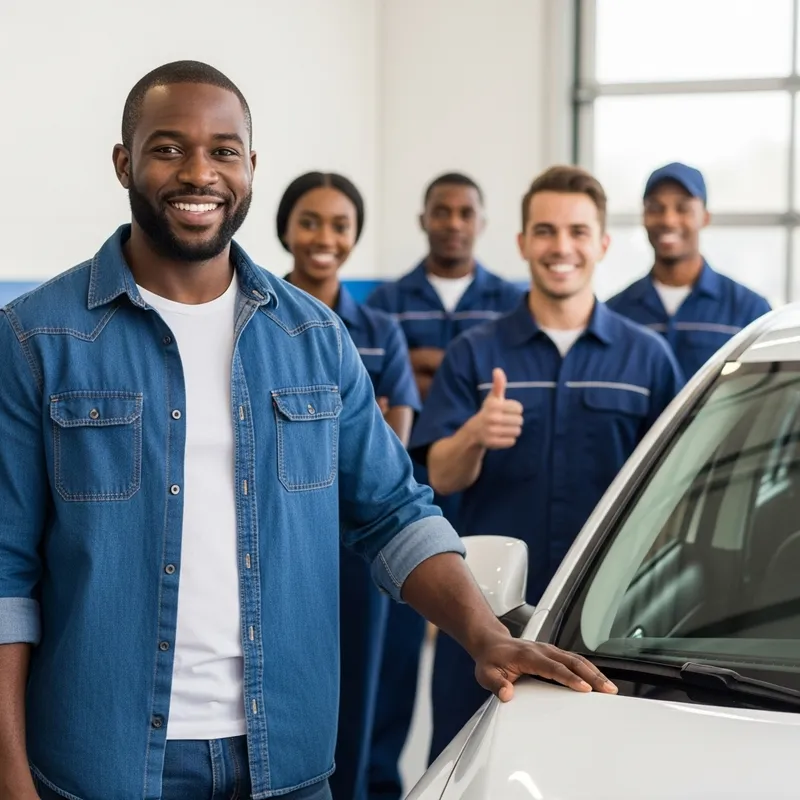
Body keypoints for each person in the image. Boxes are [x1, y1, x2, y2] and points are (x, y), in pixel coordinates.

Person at [0, 62, 616, 800]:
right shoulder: (38, 338)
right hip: (102, 765)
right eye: (168, 148)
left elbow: (394, 512)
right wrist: (11, 776)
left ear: (252, 167)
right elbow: (6, 577)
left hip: (281, 762)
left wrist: (483, 634)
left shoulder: (314, 339)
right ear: (124, 162)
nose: (200, 171)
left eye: (224, 150)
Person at [409, 165, 684, 764]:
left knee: (600, 770)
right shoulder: (475, 353)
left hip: (610, 627)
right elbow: (439, 476)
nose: (562, 247)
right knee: (465, 769)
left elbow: (676, 500)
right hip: (486, 624)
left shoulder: (648, 359)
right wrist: (476, 435)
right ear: (522, 242)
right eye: (546, 230)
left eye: (579, 232)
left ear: (603, 244)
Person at [365, 173, 524, 799]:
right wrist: (441, 376)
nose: (453, 222)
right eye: (442, 211)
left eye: (465, 212)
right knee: (396, 657)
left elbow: (420, 384)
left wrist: (427, 369)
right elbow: (400, 392)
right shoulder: (386, 301)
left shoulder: (510, 302)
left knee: (489, 638)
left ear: (481, 222)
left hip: (484, 486)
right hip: (409, 483)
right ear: (423, 219)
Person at [277, 171, 420, 800]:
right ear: (284, 227)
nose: (324, 237)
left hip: (356, 541)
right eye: (310, 221)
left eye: (340, 225)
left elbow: (391, 447)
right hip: (277, 533)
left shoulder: (379, 329)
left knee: (360, 690)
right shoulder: (252, 314)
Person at [607, 162, 771, 378]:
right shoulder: (615, 313)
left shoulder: (750, 312)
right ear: (643, 217)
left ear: (705, 218)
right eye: (656, 208)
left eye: (683, 208)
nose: (668, 220)